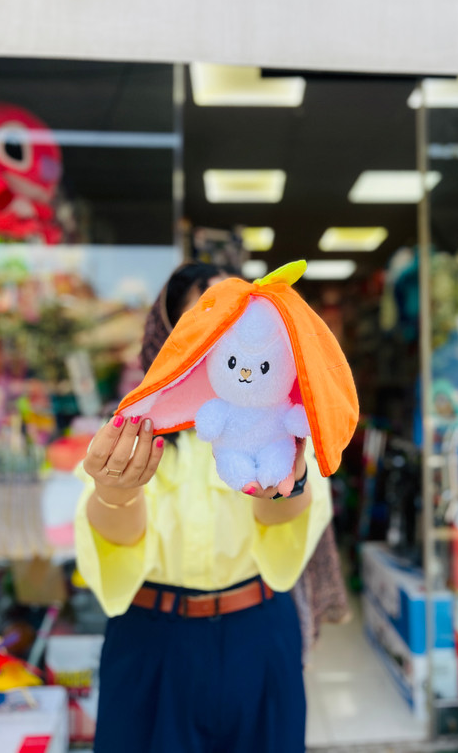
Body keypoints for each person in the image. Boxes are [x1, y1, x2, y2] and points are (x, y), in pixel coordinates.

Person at [74, 261, 332, 753]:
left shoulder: (285, 419)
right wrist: (116, 491)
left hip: (256, 632)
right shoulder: (131, 424)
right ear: (171, 332)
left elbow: (286, 520)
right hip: (151, 641)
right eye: (205, 318)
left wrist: (287, 480)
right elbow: (115, 539)